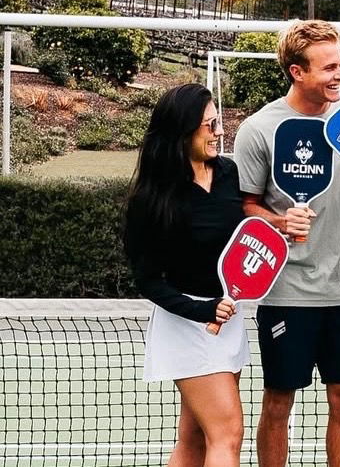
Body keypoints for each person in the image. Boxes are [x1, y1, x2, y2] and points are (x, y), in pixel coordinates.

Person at [232, 20, 340, 467]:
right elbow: (244, 206)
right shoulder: (259, 129)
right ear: (297, 71)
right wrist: (278, 220)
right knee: (279, 400)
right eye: (329, 67)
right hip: (287, 292)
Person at [124, 83, 245, 466]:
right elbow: (147, 278)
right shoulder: (153, 198)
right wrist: (201, 310)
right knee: (228, 433)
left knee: (194, 438)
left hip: (227, 318)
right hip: (186, 324)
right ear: (183, 131)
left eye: (218, 122)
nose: (219, 132)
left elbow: (248, 236)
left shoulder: (228, 174)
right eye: (209, 125)